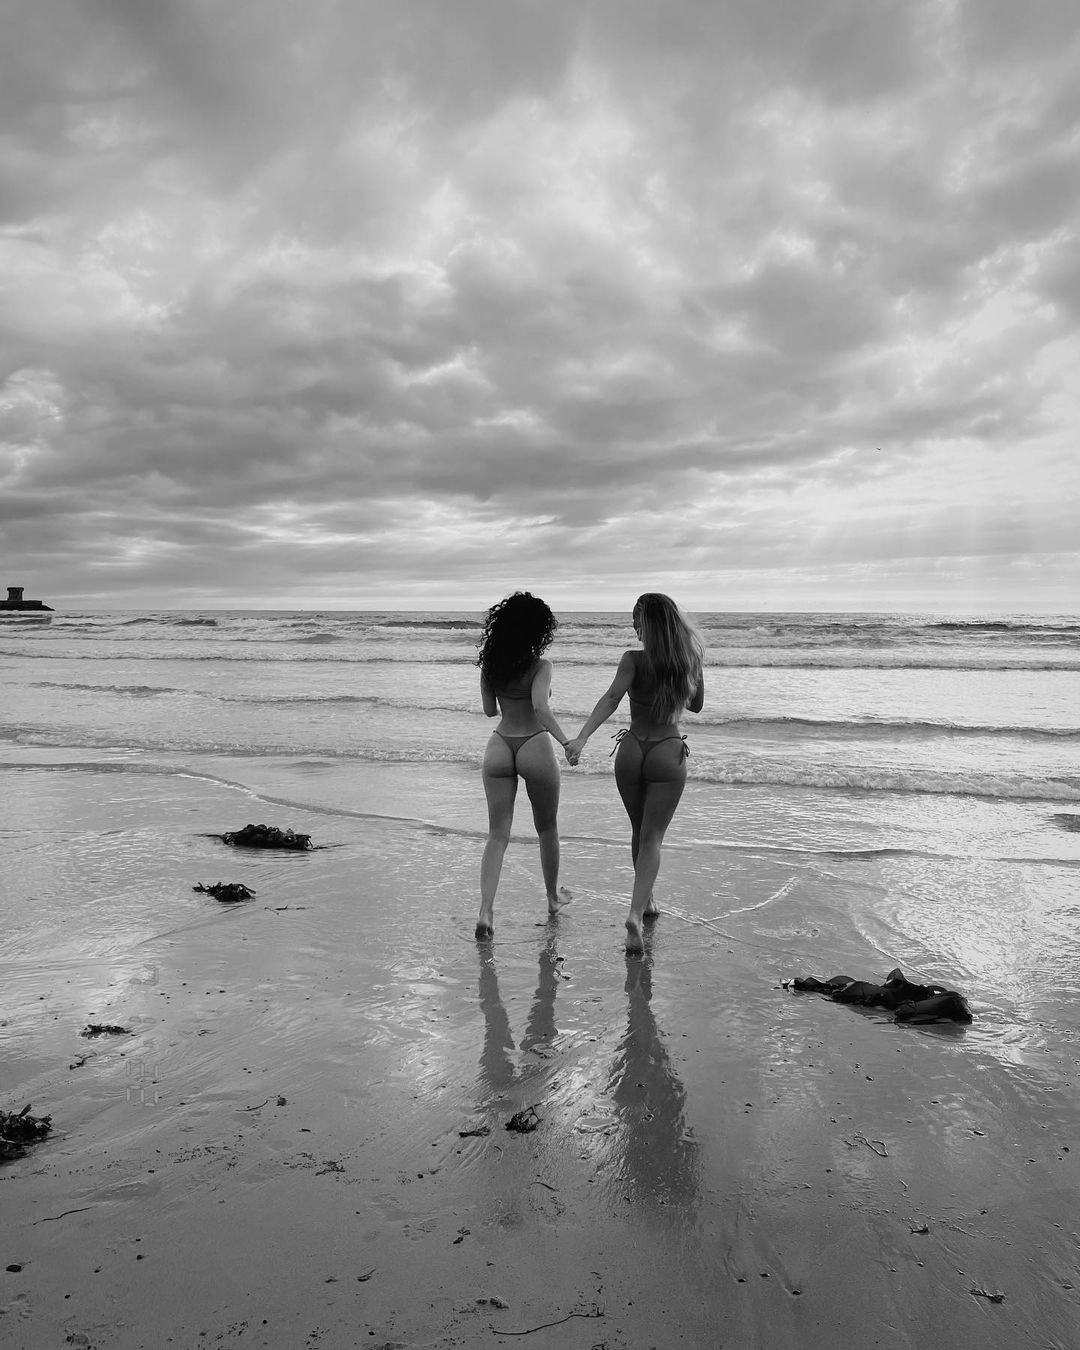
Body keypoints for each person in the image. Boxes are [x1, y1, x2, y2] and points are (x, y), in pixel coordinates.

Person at [565, 593, 704, 954]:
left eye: (636, 623)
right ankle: (635, 912)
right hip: (666, 750)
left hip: (631, 750)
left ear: (647, 626)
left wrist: (582, 737)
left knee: (639, 831)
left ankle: (648, 901)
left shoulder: (632, 660)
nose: (634, 629)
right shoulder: (689, 658)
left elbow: (612, 699)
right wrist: (685, 673)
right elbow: (697, 705)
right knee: (652, 837)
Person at [475, 592, 574, 940]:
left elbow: (490, 710)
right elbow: (540, 708)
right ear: (538, 630)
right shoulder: (541, 666)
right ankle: (552, 898)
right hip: (534, 743)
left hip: (500, 744)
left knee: (497, 835)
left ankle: (486, 911)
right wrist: (566, 742)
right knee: (546, 828)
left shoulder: (491, 666)